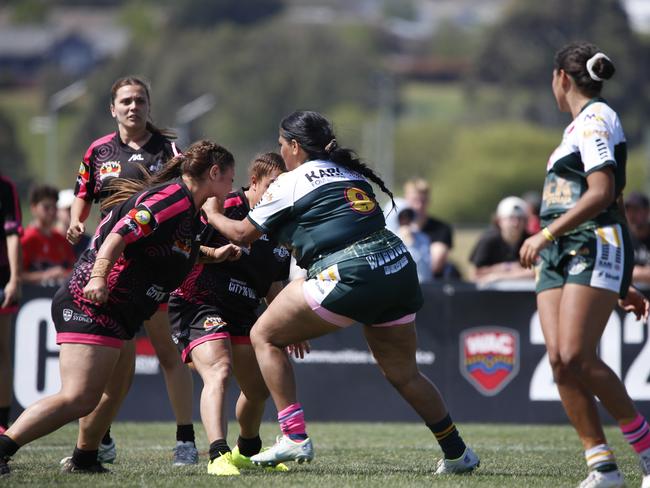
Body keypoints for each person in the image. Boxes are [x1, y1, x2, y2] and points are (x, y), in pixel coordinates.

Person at [205, 110, 479, 473]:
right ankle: (458, 453)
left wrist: (211, 212)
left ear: (295, 147)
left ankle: (294, 436)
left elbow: (241, 234)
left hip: (352, 272)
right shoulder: (351, 175)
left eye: (281, 144)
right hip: (398, 267)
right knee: (405, 373)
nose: (280, 152)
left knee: (264, 335)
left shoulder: (289, 182)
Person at [0, 140, 238, 476]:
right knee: (79, 397)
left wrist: (214, 254)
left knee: (115, 389)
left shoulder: (189, 211)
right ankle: (4, 449)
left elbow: (172, 250)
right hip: (93, 300)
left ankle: (85, 458)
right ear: (214, 173)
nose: (231, 186)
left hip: (120, 311)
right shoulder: (171, 198)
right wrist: (98, 278)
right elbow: (118, 235)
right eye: (230, 178)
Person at [519, 42, 650, 488]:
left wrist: (545, 234)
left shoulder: (595, 118)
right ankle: (602, 466)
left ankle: (649, 451)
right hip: (561, 252)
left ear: (562, 78)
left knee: (576, 354)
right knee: (559, 361)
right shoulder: (576, 128)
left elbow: (600, 192)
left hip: (589, 242)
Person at [66, 76, 197, 465]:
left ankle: (185, 440)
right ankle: (97, 438)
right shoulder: (98, 150)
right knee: (111, 366)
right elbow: (82, 195)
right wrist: (77, 221)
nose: (133, 106)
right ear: (113, 108)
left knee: (167, 354)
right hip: (112, 269)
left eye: (140, 100)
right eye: (125, 101)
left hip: (154, 270)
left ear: (148, 106)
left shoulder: (169, 150)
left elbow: (188, 198)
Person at [169, 152, 300, 476]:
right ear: (253, 182)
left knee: (258, 390)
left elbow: (272, 285)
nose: (277, 192)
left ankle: (247, 450)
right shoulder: (221, 207)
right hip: (199, 303)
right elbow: (181, 250)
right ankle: (217, 454)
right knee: (220, 370)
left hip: (244, 310)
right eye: (272, 184)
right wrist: (214, 253)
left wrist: (290, 324)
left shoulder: (280, 225)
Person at [469, 196, 534, 285]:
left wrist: (498, 276)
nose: (516, 223)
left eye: (520, 218)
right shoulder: (488, 240)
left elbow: (537, 272)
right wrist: (506, 267)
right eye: (511, 218)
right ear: (499, 220)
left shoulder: (532, 241)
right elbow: (475, 274)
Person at [0, 174, 22, 435]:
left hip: (2, 276)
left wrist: (15, 279)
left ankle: (3, 421)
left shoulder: (6, 187)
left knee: (1, 349)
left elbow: (13, 234)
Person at [402, 178, 458, 280]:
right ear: (406, 200)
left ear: (429, 201)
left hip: (431, 287)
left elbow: (434, 266)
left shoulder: (441, 229)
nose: (419, 206)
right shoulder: (396, 227)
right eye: (414, 200)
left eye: (423, 201)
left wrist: (411, 242)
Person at [21, 185, 75, 287]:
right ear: (33, 208)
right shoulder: (26, 238)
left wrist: (63, 273)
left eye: (54, 207)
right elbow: (17, 275)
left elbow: (72, 269)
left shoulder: (61, 239)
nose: (51, 211)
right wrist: (45, 275)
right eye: (46, 207)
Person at [397, 207, 433, 283]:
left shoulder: (423, 238)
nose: (406, 222)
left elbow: (424, 266)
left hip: (423, 284)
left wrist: (411, 243)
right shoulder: (388, 240)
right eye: (402, 218)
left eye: (409, 218)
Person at [624, 192, 650, 286]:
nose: (631, 215)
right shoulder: (623, 238)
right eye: (628, 210)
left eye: (636, 210)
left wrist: (632, 272)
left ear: (647, 211)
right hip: (630, 296)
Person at [56, 189, 91, 259]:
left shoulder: (89, 242)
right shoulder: (49, 239)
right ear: (57, 211)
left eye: (75, 209)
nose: (73, 212)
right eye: (68, 209)